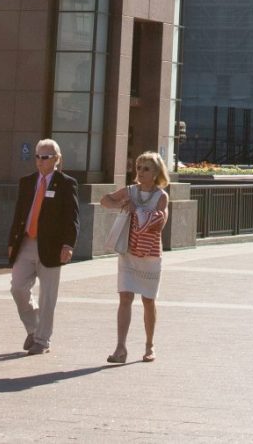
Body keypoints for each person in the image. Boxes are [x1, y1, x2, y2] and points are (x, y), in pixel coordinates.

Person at [7, 139, 79, 355]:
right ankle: (33, 326)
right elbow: (19, 213)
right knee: (18, 287)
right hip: (26, 242)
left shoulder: (66, 183)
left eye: (45, 157)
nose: (40, 161)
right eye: (37, 156)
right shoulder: (27, 182)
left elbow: (72, 217)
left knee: (47, 296)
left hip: (52, 246)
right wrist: (12, 243)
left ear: (56, 159)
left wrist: (68, 244)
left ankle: (42, 340)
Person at [98, 150, 170, 363]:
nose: (141, 172)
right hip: (128, 251)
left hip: (150, 254)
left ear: (156, 172)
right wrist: (121, 204)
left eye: (146, 168)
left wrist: (136, 209)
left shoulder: (161, 196)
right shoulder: (129, 191)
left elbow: (158, 223)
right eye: (139, 167)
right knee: (125, 297)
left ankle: (150, 345)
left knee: (148, 300)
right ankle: (121, 348)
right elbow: (105, 200)